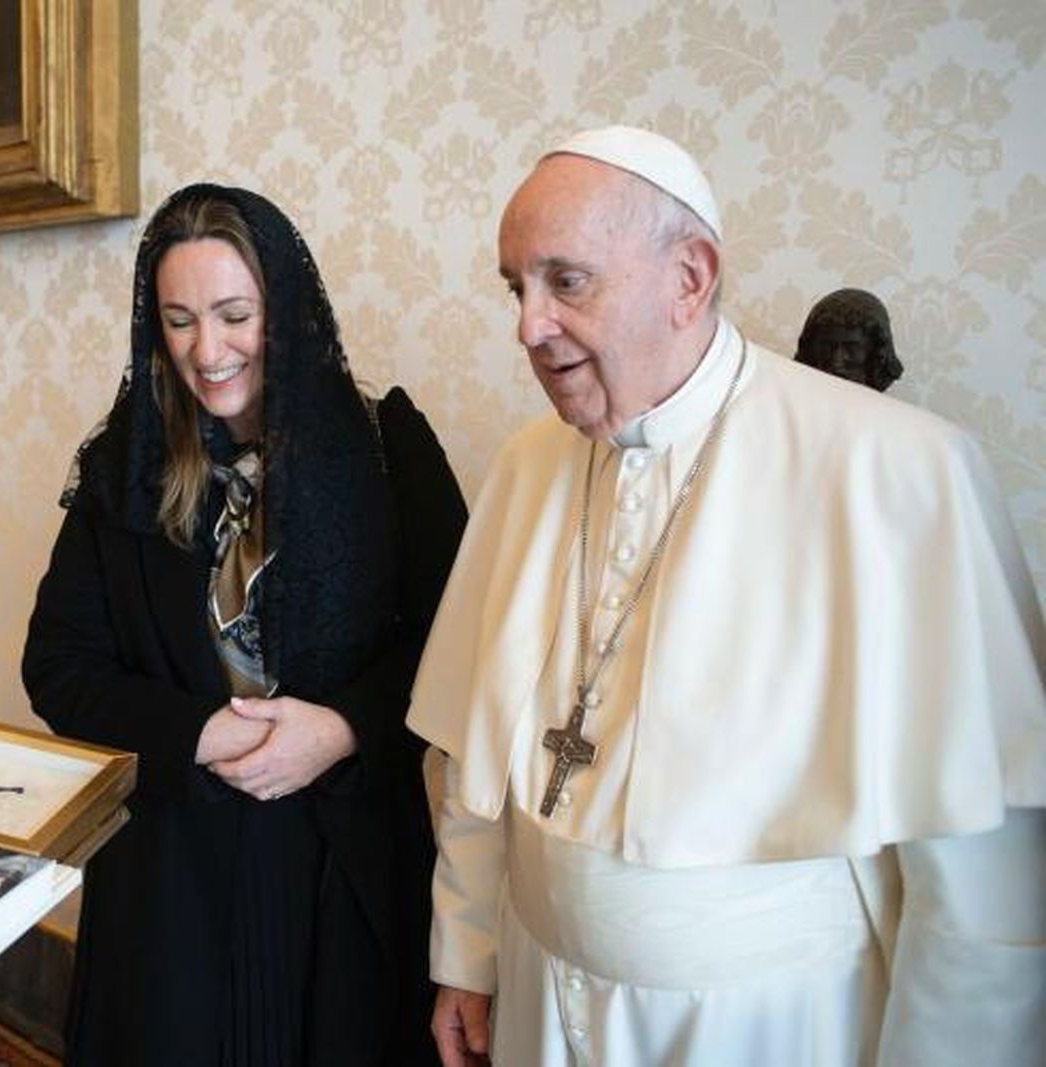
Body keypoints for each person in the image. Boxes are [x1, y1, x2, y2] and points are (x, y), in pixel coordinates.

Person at [408, 125, 1046, 1066]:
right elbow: (477, 753)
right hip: (544, 1004)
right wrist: (468, 950)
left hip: (770, 1028)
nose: (528, 326)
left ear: (690, 276)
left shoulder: (897, 471)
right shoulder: (525, 466)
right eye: (517, 286)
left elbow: (983, 878)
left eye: (566, 281)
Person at [23, 183, 466, 1065]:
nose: (207, 350)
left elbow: (456, 648)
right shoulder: (124, 468)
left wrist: (340, 728)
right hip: (172, 875)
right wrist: (201, 730)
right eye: (179, 319)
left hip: (346, 867)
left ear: (287, 312)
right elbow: (58, 666)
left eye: (234, 314)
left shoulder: (388, 446)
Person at [795, 286, 904, 391]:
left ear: (876, 350)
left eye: (852, 349)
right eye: (827, 347)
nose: (836, 362)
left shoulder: (890, 409)